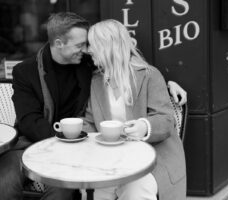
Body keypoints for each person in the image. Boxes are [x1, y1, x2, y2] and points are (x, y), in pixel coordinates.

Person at [0, 12, 186, 200]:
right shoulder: (28, 71)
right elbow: (30, 121)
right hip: (43, 142)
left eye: (89, 45)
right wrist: (65, 141)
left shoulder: (91, 66)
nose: (87, 50)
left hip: (122, 151)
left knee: (71, 188)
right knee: (5, 182)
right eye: (81, 45)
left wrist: (167, 85)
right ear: (59, 44)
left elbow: (126, 65)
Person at [81, 19, 186, 200]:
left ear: (109, 46)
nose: (88, 50)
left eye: (93, 44)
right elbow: (90, 122)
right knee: (92, 188)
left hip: (153, 158)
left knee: (135, 190)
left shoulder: (148, 75)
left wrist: (144, 127)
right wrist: (77, 133)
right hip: (112, 158)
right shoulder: (96, 81)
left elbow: (166, 120)